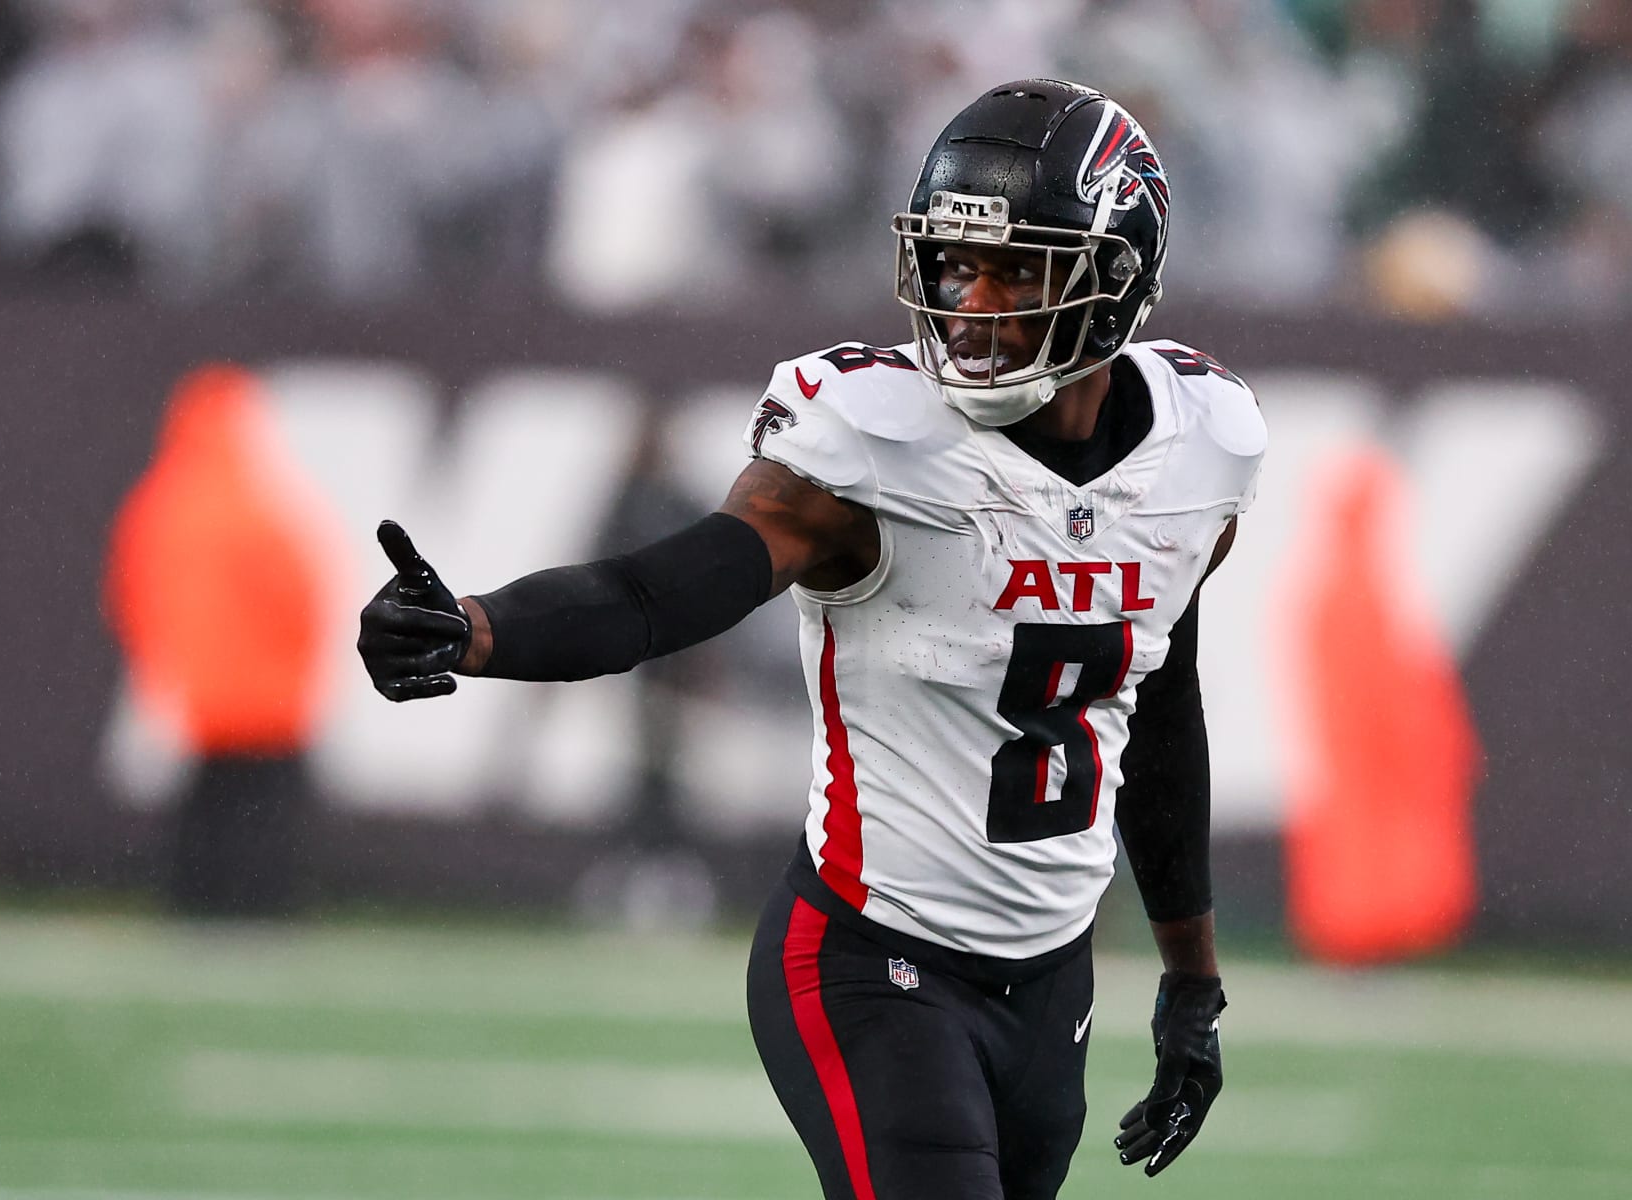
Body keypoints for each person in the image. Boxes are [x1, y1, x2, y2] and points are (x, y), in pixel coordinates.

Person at [359, 78, 1265, 1200]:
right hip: (871, 958)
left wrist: (1191, 980)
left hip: (1050, 980)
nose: (971, 305)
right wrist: (482, 629)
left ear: (1116, 278)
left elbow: (1157, 706)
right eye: (952, 265)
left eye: (1017, 270)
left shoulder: (1199, 448)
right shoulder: (873, 445)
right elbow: (663, 590)